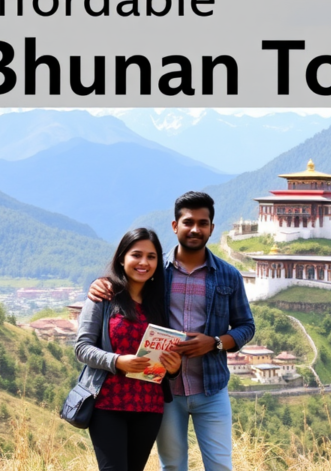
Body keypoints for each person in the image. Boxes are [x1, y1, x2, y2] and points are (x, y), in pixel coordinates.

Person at [89, 191, 255, 471]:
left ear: (212, 229)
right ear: (175, 226)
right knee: (173, 467)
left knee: (220, 467)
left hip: (211, 388)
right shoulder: (155, 273)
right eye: (188, 222)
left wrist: (214, 343)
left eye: (203, 223)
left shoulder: (229, 275)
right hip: (163, 391)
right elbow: (127, 283)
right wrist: (101, 284)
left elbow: (246, 327)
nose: (195, 229)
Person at [74, 227, 182, 471]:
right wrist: (117, 361)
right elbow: (82, 348)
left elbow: (163, 357)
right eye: (136, 255)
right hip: (107, 404)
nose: (143, 262)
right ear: (122, 258)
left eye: (151, 257)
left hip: (149, 407)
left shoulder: (160, 304)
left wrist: (174, 369)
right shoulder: (104, 295)